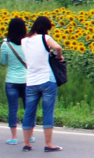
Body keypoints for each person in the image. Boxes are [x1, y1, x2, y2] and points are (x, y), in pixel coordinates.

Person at [21, 16, 63, 152]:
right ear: (45, 28)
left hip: (31, 81)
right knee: (48, 112)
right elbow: (58, 47)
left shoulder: (24, 41)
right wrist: (58, 56)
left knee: (29, 112)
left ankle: (26, 144)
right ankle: (48, 144)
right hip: (47, 79)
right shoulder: (45, 38)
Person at [1, 18, 34, 145]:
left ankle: (14, 137)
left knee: (12, 108)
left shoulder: (5, 45)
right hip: (27, 80)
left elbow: (3, 63)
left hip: (11, 81)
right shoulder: (28, 43)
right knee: (29, 108)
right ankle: (30, 135)